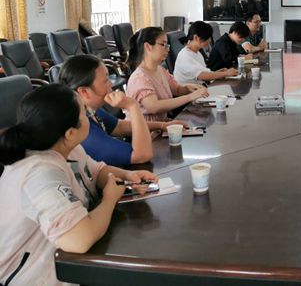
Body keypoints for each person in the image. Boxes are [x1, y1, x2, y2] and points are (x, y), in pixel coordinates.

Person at [0, 84, 158, 285]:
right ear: (69, 133)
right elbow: (78, 240)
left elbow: (96, 171)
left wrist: (128, 175)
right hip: (38, 276)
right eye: (84, 113)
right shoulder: (37, 174)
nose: (89, 115)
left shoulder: (65, 146)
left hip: (78, 263)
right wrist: (109, 199)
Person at [59, 54, 184, 166]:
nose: (111, 84)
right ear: (84, 92)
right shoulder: (82, 129)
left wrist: (162, 125)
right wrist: (133, 106)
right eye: (105, 81)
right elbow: (142, 155)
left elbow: (119, 126)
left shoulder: (88, 110)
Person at [126, 27, 209, 122]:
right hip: (145, 129)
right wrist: (190, 97)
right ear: (148, 46)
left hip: (163, 125)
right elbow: (154, 107)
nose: (168, 49)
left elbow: (177, 89)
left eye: (167, 45)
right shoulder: (139, 77)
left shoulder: (160, 70)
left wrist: (187, 88)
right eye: (163, 45)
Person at [174, 21, 238, 84]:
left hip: (200, 87)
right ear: (196, 37)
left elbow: (203, 72)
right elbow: (202, 75)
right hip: (192, 90)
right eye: (207, 38)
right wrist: (226, 73)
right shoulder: (185, 56)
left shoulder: (197, 52)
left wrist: (218, 72)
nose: (209, 41)